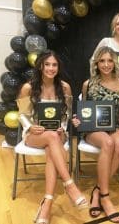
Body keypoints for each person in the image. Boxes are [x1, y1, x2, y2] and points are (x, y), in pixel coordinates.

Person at [16, 50, 88, 224]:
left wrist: (63, 128)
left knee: (52, 141)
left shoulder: (64, 87)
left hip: (57, 134)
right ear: (40, 66)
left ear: (58, 67)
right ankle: (69, 184)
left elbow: (67, 115)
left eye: (54, 65)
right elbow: (22, 115)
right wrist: (30, 126)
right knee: (50, 140)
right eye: (47, 64)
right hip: (35, 134)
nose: (51, 68)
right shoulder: (28, 88)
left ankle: (47, 203)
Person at [72, 46, 119, 223]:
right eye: (102, 61)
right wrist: (77, 119)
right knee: (107, 143)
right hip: (93, 129)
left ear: (115, 62)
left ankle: (97, 190)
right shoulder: (88, 84)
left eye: (109, 60)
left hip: (114, 125)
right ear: (96, 63)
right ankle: (105, 198)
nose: (106, 65)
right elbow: (83, 110)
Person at [91, 12, 119, 102]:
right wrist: (95, 79)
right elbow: (93, 60)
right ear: (114, 27)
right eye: (118, 23)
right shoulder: (106, 41)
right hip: (101, 85)